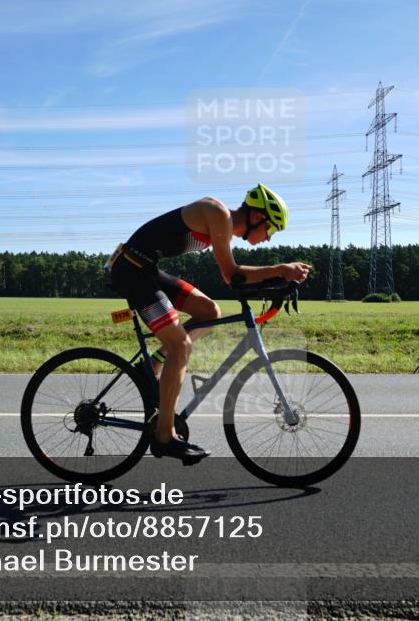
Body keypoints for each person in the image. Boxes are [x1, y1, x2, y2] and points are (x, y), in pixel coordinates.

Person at [104, 184, 311, 463]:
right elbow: (232, 275)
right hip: (133, 269)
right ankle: (165, 436)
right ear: (258, 217)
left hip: (145, 268)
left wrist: (277, 282)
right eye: (271, 229)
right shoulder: (218, 213)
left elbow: (237, 277)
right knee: (180, 347)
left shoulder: (221, 224)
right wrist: (280, 270)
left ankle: (151, 366)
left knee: (209, 312)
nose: (269, 239)